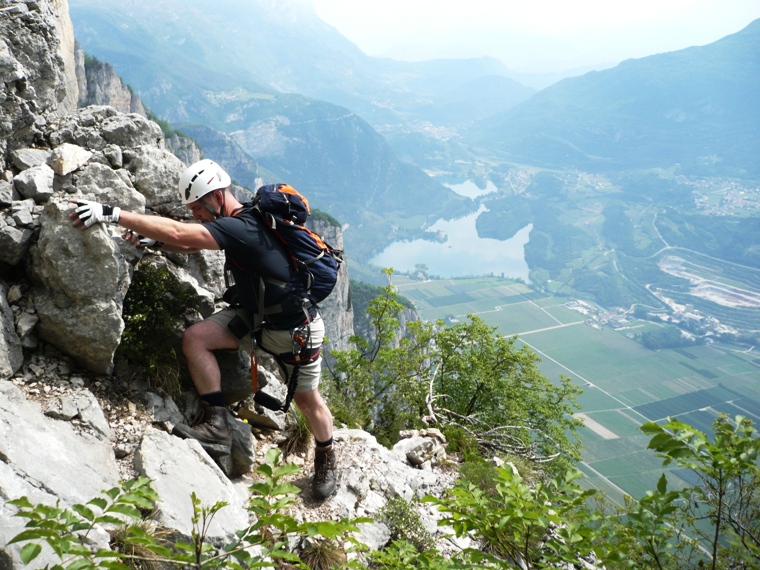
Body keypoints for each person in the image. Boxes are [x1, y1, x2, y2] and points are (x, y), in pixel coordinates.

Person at [70, 159, 337, 499]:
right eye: (192, 209)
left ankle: (326, 457)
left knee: (306, 399)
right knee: (196, 338)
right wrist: (155, 243)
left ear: (216, 196)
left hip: (294, 330)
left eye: (197, 206)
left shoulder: (243, 227)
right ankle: (217, 423)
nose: (195, 214)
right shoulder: (235, 223)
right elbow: (193, 242)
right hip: (255, 319)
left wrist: (113, 213)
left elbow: (183, 233)